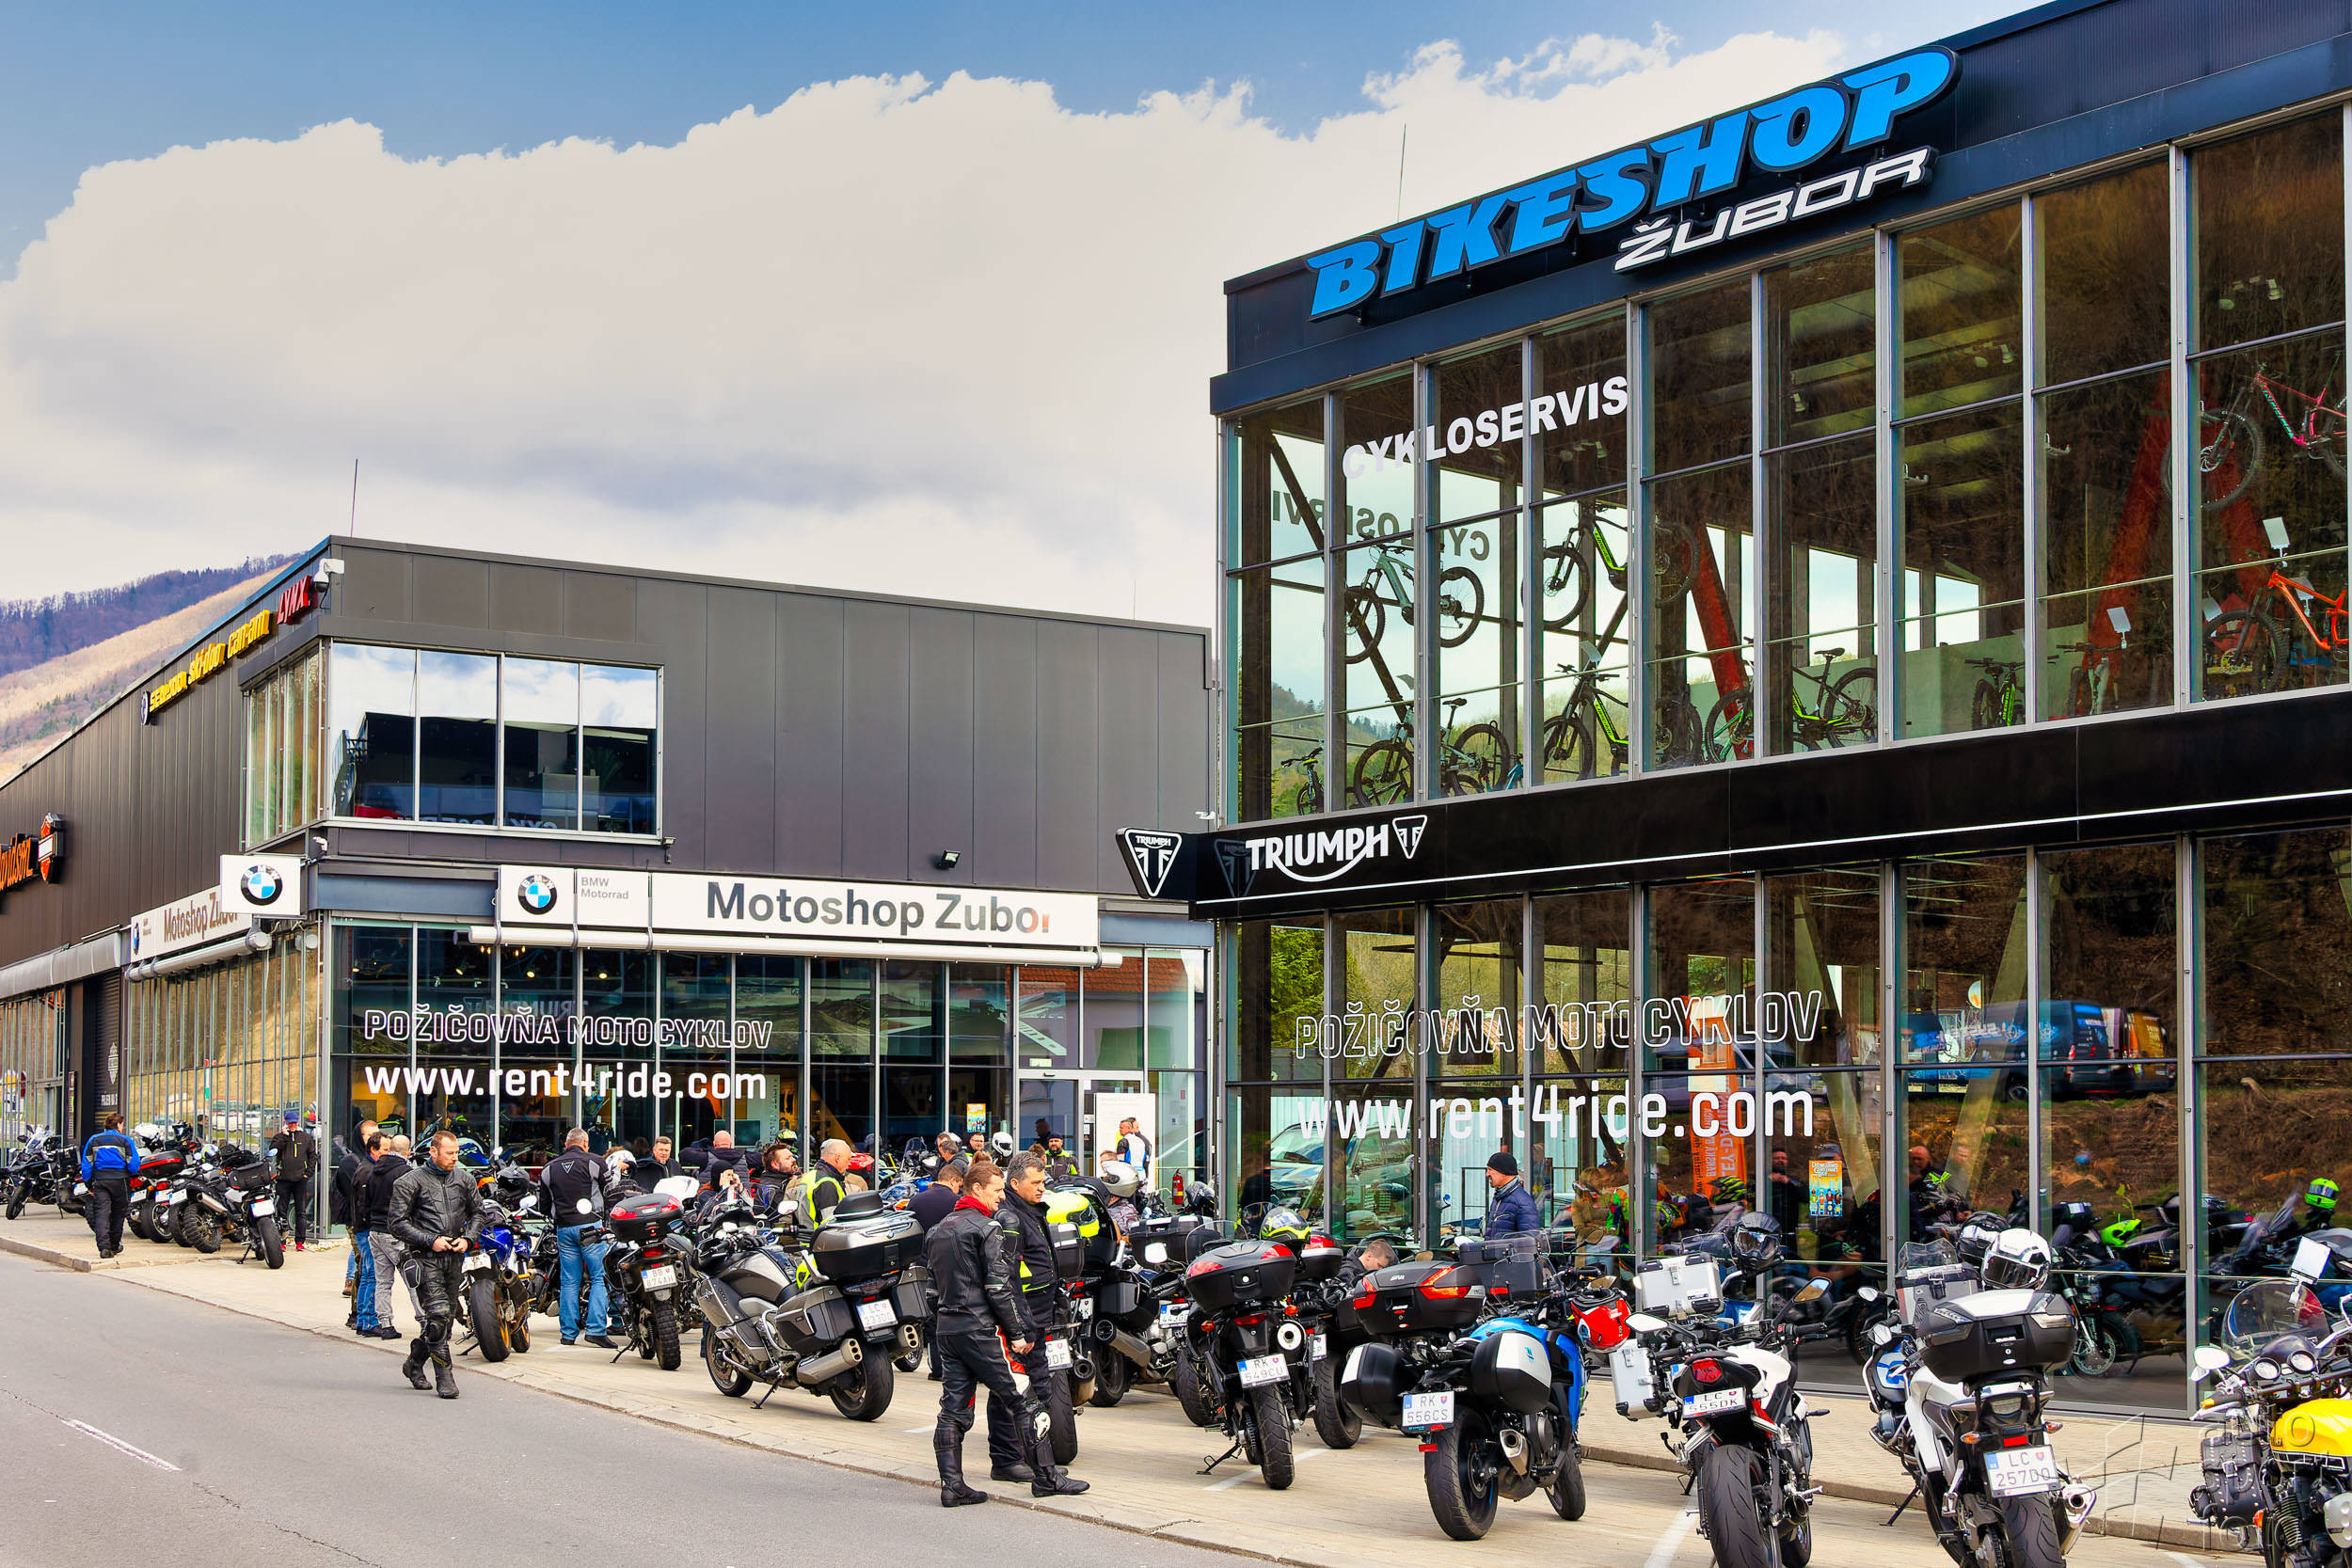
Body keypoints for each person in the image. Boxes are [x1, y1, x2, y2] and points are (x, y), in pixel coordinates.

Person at [923, 1160, 1084, 1505]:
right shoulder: (988, 1228)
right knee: (1027, 1399)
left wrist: (943, 1323)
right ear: (977, 1189)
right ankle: (1047, 1478)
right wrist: (1017, 1332)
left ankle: (953, 1485)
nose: (1000, 1197)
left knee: (953, 1408)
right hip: (982, 1330)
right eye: (996, 1190)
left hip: (949, 1330)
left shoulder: (937, 1231)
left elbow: (931, 1290)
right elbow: (1000, 1287)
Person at [989, 1152, 1076, 1485]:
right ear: (1014, 1184)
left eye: (1043, 1182)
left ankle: (1035, 1462)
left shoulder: (1030, 1211)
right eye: (1035, 1182)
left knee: (1035, 1390)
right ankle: (1008, 1461)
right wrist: (1018, 1327)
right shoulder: (1010, 1218)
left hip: (1037, 1316)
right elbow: (1006, 1278)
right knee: (1015, 1390)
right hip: (1024, 1321)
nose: (1042, 1188)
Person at [388, 1131, 485, 1399]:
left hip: (454, 1258)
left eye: (456, 1153)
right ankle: (445, 1377)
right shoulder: (409, 1181)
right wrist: (430, 1240)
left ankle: (414, 1363)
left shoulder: (464, 1179)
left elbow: (478, 1213)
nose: (454, 1158)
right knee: (439, 1314)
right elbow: (396, 1223)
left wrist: (468, 1238)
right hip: (424, 1258)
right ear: (433, 1152)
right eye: (449, 1153)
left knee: (442, 1323)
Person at [541, 1127, 621, 1350]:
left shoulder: (549, 1168)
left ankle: (568, 1334)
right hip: (590, 1228)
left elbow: (543, 1206)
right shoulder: (595, 1162)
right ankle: (595, 1330)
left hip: (563, 1229)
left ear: (566, 1144)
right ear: (585, 1143)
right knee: (599, 1277)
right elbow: (611, 1193)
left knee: (569, 1281)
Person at [364, 1135, 412, 1339]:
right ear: (407, 1152)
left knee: (383, 1281)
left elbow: (366, 1202)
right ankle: (426, 1322)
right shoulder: (406, 1172)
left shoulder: (374, 1170)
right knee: (413, 1279)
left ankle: (385, 1324)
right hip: (395, 1232)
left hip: (375, 1231)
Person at [340, 1130, 384, 1338]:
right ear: (373, 1149)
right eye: (385, 1149)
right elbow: (362, 1204)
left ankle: (363, 1320)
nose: (388, 1153)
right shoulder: (366, 1171)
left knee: (366, 1274)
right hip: (365, 1230)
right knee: (370, 1274)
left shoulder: (368, 1168)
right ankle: (367, 1320)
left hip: (362, 1228)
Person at [79, 1112, 138, 1259]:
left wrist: (88, 1184)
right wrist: (130, 1174)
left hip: (100, 1180)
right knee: (118, 1214)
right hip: (120, 1180)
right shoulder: (125, 1140)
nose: (122, 1127)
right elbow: (134, 1164)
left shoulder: (93, 1140)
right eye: (122, 1124)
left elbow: (86, 1165)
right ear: (117, 1125)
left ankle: (104, 1248)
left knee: (102, 1214)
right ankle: (114, 1245)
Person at [336, 1117, 378, 1308]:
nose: (375, 1139)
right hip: (357, 1222)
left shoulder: (377, 1160)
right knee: (364, 1267)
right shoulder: (349, 1162)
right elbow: (353, 1195)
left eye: (377, 1135)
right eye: (370, 1135)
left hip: (374, 1222)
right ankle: (358, 1312)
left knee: (370, 1268)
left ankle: (366, 1311)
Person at [268, 1111, 317, 1252]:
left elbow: (313, 1156)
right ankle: (281, 1241)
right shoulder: (279, 1137)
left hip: (300, 1180)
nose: (293, 1125)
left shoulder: (306, 1138)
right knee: (281, 1211)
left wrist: (307, 1174)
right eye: (290, 1123)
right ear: (285, 1123)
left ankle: (300, 1242)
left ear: (298, 1122)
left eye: (294, 1123)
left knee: (300, 1211)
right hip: (283, 1179)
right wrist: (284, 1136)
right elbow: (273, 1150)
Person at [1484, 1150, 1540, 1236]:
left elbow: (1530, 1239)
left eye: (1490, 1170)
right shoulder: (1499, 1197)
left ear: (1503, 1171)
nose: (1487, 1174)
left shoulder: (1523, 1202)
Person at [803, 1138, 853, 1227]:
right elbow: (831, 1223)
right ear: (838, 1158)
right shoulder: (826, 1183)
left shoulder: (810, 1176)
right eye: (848, 1159)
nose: (849, 1164)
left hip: (807, 1234)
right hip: (820, 1235)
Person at [914, 1157, 966, 1231]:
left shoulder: (916, 1199)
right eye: (959, 1185)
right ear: (953, 1181)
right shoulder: (959, 1202)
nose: (958, 1190)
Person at [703, 1129, 754, 1193]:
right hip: (737, 1195)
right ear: (731, 1144)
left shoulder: (705, 1157)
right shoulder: (746, 1157)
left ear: (714, 1144)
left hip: (711, 1194)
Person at [1767, 1148, 1804, 1233]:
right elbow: (1751, 1196)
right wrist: (1767, 1182)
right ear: (1770, 1161)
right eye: (1776, 1158)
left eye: (1783, 1158)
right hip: (1766, 1225)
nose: (1780, 1160)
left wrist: (1789, 1182)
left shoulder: (1793, 1180)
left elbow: (1805, 1197)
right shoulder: (1761, 1179)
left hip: (1789, 1228)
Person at [1115, 1117, 1153, 1187]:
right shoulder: (1142, 1141)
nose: (1119, 1129)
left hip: (1129, 1176)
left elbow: (1121, 1162)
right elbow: (1145, 1159)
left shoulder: (1123, 1141)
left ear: (1129, 1128)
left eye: (1121, 1128)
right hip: (1141, 1174)